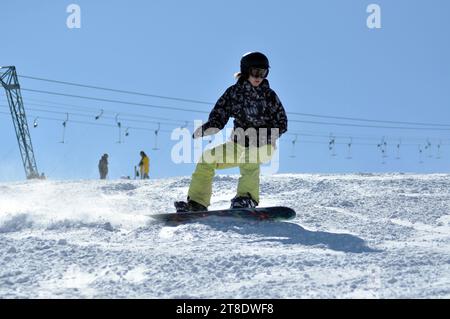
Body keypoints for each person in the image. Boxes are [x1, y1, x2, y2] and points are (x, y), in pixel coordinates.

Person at [175, 52, 288, 212]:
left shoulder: (269, 96)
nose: (258, 77)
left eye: (263, 73)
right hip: (238, 145)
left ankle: (247, 198)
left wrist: (267, 136)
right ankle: (197, 202)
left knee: (251, 157)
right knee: (206, 158)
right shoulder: (234, 93)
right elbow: (219, 117)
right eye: (255, 72)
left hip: (263, 144)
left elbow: (282, 122)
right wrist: (208, 128)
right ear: (245, 71)